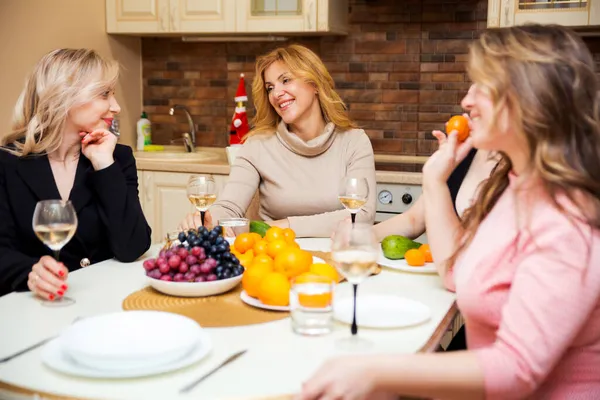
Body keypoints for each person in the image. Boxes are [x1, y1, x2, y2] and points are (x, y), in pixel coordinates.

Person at [299, 24, 600, 400]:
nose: (466, 101)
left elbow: (515, 370)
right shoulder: (515, 184)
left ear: (529, 99)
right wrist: (435, 180)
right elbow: (458, 272)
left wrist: (376, 370)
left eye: (481, 86)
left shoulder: (566, 219)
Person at [178, 44, 376, 237]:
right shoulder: (257, 145)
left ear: (314, 84)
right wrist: (208, 220)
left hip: (336, 254)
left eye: (286, 80)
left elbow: (362, 215)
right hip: (273, 258)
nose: (276, 94)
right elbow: (230, 206)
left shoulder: (354, 142)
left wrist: (283, 226)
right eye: (270, 87)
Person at [0, 49, 152, 299]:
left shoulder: (117, 158)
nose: (116, 107)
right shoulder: (7, 163)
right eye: (105, 94)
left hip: (102, 301)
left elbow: (132, 247)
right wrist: (30, 273)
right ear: (63, 97)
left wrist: (104, 164)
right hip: (32, 308)